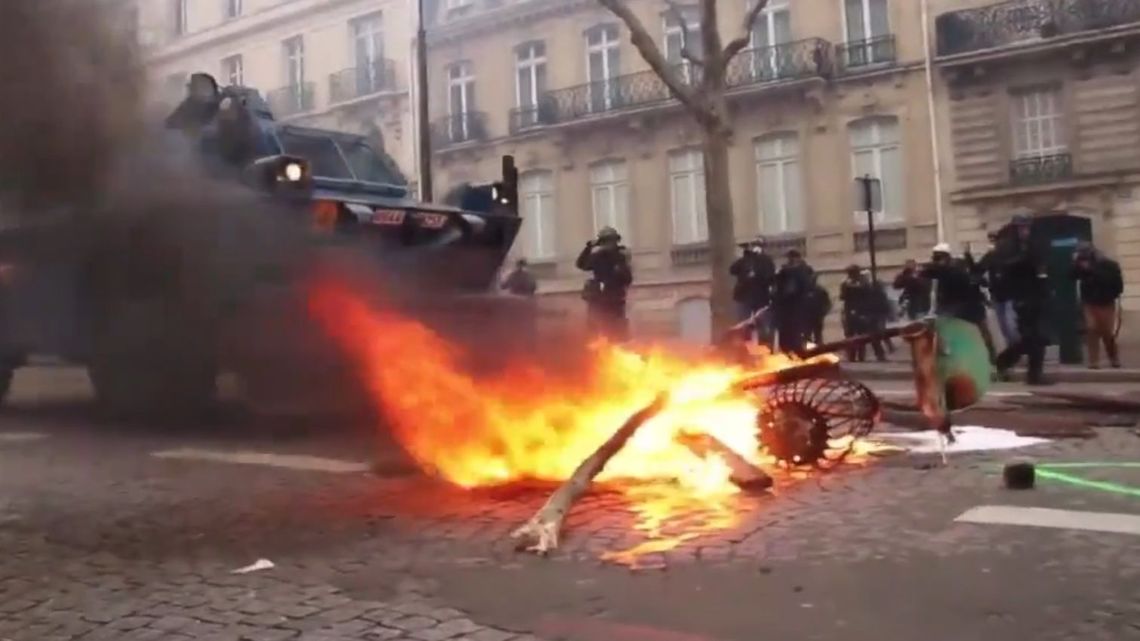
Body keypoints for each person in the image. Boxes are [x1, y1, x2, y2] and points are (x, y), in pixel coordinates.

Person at [995, 215, 1051, 385]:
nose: (1024, 231)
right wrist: (1022, 260)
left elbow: (1042, 269)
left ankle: (1033, 374)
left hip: (1035, 296)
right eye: (1021, 228)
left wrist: (1045, 289)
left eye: (1026, 227)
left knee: (1036, 338)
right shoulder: (1007, 246)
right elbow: (1004, 268)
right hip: (1018, 296)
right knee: (1029, 337)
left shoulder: (1035, 245)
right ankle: (1005, 363)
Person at [922, 243, 996, 361]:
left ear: (947, 257)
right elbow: (926, 273)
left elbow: (977, 279)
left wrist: (983, 295)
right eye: (936, 257)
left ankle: (992, 358)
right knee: (937, 327)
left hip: (969, 304)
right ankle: (947, 355)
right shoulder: (939, 269)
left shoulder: (958, 267)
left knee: (983, 330)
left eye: (940, 257)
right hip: (953, 304)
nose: (938, 261)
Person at [576, 227, 633, 342]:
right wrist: (588, 248)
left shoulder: (620, 256)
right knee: (596, 326)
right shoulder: (598, 257)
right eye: (606, 241)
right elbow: (581, 264)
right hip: (599, 298)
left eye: (610, 241)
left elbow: (627, 278)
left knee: (616, 328)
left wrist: (619, 270)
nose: (608, 244)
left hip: (614, 298)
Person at [1072, 242, 1123, 369]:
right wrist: (1076, 264)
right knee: (1091, 329)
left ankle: (1113, 358)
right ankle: (1093, 361)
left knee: (1107, 332)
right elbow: (1071, 276)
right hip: (1089, 302)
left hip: (1106, 302)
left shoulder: (1109, 265)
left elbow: (1114, 283)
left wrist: (1090, 269)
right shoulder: (1081, 265)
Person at [729, 237, 776, 347]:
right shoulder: (746, 260)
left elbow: (770, 277)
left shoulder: (766, 260)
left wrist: (757, 276)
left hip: (760, 297)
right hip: (745, 297)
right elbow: (732, 269)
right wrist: (745, 257)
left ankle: (763, 347)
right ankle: (745, 347)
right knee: (744, 323)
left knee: (761, 323)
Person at [977, 231, 1017, 348]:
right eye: (991, 241)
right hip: (997, 294)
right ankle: (1013, 348)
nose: (993, 243)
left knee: (1010, 323)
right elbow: (979, 270)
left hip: (1010, 294)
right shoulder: (990, 256)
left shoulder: (1009, 255)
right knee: (1003, 325)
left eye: (995, 240)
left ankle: (1018, 346)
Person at [840, 264, 886, 362]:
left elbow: (867, 293)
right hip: (851, 311)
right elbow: (843, 297)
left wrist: (852, 287)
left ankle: (869, 355)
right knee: (852, 335)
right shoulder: (846, 283)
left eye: (851, 273)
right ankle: (852, 356)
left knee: (867, 335)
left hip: (862, 311)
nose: (850, 275)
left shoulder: (863, 282)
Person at [771, 249, 814, 353]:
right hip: (785, 308)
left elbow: (806, 285)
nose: (790, 260)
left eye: (793, 257)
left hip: (798, 307)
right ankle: (787, 351)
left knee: (797, 332)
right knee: (785, 333)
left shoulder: (804, 270)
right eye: (789, 258)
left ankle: (798, 350)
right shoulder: (784, 271)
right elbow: (777, 285)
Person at [805, 274, 831, 346]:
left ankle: (818, 350)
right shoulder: (804, 291)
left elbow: (827, 303)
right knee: (807, 336)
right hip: (807, 317)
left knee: (818, 336)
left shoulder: (820, 291)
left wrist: (824, 312)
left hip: (817, 316)